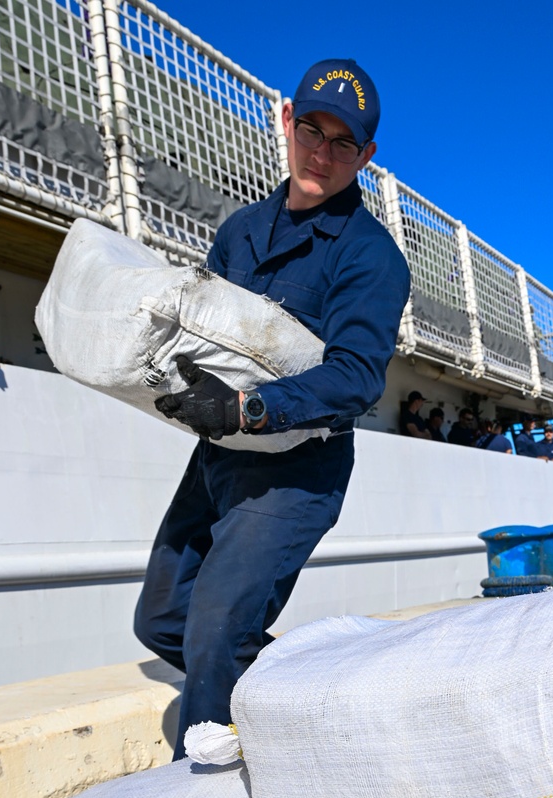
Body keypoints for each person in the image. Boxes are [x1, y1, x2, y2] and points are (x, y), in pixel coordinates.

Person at [133, 59, 410, 757]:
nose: (322, 153)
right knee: (162, 619)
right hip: (220, 456)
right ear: (286, 121)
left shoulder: (371, 257)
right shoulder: (240, 230)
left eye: (343, 144)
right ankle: (305, 703)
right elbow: (208, 330)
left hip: (297, 467)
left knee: (216, 631)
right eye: (312, 130)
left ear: (365, 157)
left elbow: (354, 376)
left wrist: (250, 410)